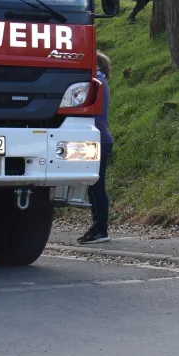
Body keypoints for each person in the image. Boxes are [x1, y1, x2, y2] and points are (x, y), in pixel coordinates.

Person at [79, 53, 114, 244]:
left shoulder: (96, 83)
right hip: (99, 139)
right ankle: (98, 226)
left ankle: (101, 228)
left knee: (97, 186)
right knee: (94, 186)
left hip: (98, 140)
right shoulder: (99, 82)